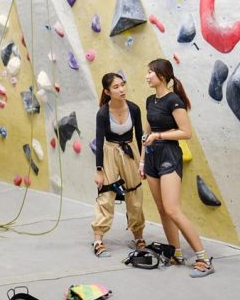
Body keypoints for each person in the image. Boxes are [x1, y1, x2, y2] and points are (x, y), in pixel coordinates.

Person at [141, 58, 215, 277]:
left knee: (173, 209)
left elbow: (186, 132)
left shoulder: (173, 101)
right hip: (152, 156)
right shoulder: (150, 100)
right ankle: (176, 253)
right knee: (163, 209)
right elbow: (146, 134)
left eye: (150, 72)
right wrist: (142, 161)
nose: (147, 76)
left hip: (169, 155)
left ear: (162, 76)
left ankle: (203, 258)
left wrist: (160, 135)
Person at [91, 72, 145, 258]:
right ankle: (98, 240)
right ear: (107, 91)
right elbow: (99, 142)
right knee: (106, 195)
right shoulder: (103, 113)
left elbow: (140, 137)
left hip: (130, 152)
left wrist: (143, 162)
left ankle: (138, 236)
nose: (121, 89)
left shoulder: (134, 109)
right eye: (116, 87)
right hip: (110, 152)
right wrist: (99, 170)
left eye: (122, 84)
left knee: (135, 194)